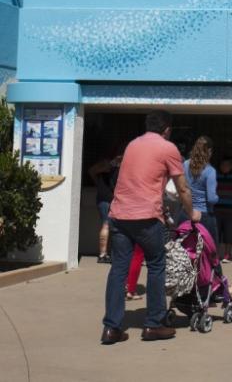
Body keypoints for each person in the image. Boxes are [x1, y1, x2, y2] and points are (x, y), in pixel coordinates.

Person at [101, 110, 199, 344]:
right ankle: (154, 324)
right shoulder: (168, 148)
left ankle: (111, 328)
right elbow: (182, 187)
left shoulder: (132, 145)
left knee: (118, 270)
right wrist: (191, 213)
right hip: (146, 217)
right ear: (167, 129)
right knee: (156, 265)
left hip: (119, 215)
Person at [183, 136, 220, 243]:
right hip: (204, 216)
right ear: (209, 151)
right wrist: (218, 197)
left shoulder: (185, 165)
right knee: (209, 253)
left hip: (186, 213)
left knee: (186, 251)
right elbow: (212, 199)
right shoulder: (210, 171)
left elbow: (181, 187)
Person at [88, 152, 123, 263]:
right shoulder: (117, 167)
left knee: (106, 224)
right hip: (113, 199)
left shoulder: (102, 168)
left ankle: (103, 254)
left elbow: (91, 172)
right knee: (113, 226)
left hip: (103, 198)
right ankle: (107, 254)